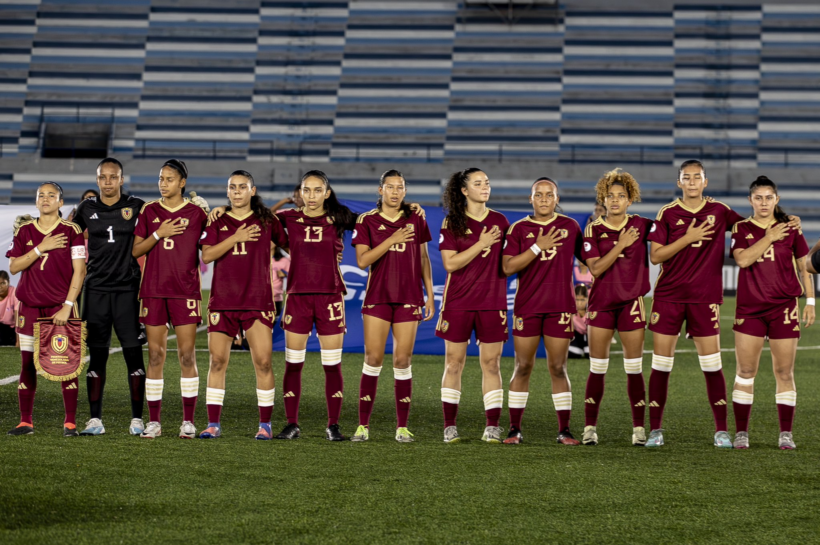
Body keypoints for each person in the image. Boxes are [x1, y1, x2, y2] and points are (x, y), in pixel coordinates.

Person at [645, 159, 801, 448]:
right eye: (686, 178)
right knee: (661, 365)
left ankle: (722, 431)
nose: (692, 182)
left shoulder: (720, 211)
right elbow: (656, 256)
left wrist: (787, 219)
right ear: (679, 182)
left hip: (705, 299)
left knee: (713, 366)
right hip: (668, 296)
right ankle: (655, 430)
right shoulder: (667, 213)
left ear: (706, 182)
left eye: (697, 177)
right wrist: (688, 237)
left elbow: (754, 223)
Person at [199, 170, 288, 440]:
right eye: (232, 187)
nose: (237, 191)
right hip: (223, 300)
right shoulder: (217, 220)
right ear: (227, 192)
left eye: (242, 187)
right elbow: (207, 254)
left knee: (262, 362)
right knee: (217, 361)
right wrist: (235, 238)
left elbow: (289, 243)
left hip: (257, 300)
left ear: (252, 190)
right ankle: (213, 423)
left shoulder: (266, 220)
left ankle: (265, 424)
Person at [350, 169, 435, 443]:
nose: (395, 192)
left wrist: (430, 295)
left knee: (402, 360)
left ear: (405, 192)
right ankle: (363, 426)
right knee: (373, 359)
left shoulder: (416, 218)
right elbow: (362, 261)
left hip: (409, 297)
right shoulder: (367, 221)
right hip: (378, 297)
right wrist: (391, 240)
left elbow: (423, 258)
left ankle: (402, 427)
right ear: (380, 191)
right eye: (390, 187)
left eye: (400, 187)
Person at [730, 176, 814, 450]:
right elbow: (742, 260)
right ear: (750, 201)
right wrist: (768, 237)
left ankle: (785, 433)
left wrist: (810, 301)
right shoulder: (741, 228)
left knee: (784, 371)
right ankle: (742, 432)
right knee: (745, 370)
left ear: (776, 199)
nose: (763, 202)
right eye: (758, 197)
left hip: (784, 308)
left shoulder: (791, 228)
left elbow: (805, 267)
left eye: (769, 197)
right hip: (750, 309)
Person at [275, 170, 357, 441]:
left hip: (330, 297)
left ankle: (333, 425)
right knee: (293, 364)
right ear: (300, 194)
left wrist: (409, 208)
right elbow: (258, 218)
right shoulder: (289, 218)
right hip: (298, 297)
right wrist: (220, 210)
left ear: (327, 193)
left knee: (332, 365)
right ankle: (291, 424)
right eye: (306, 190)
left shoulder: (341, 218)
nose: (311, 196)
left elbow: (376, 219)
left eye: (317, 190)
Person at [502, 177, 583, 445]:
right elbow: (507, 267)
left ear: (557, 199)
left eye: (550, 195)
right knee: (523, 366)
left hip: (559, 308)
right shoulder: (519, 229)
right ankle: (514, 429)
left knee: (558, 368)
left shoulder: (570, 226)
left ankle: (565, 430)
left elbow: (591, 260)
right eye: (539, 194)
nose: (545, 199)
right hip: (528, 307)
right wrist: (538, 246)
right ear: (531, 199)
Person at [132, 159, 208, 439]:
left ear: (182, 183)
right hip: (153, 290)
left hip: (185, 291)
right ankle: (154, 421)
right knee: (155, 355)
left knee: (187, 355)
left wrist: (213, 218)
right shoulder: (149, 211)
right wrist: (157, 233)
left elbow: (209, 249)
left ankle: (188, 421)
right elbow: (136, 250)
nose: (163, 184)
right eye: (161, 179)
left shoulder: (197, 213)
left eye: (169, 179)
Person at [71, 158, 147, 436]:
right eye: (103, 177)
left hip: (128, 289)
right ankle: (95, 420)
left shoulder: (136, 206)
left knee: (133, 354)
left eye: (113, 177)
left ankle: (137, 419)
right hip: (95, 291)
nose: (108, 182)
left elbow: (163, 219)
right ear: (97, 180)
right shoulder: (86, 208)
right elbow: (67, 234)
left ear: (121, 180)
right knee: (97, 355)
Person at [6, 182, 86, 436]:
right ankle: (25, 421)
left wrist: (68, 306)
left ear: (61, 203)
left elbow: (80, 271)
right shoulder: (24, 230)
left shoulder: (72, 230)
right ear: (36, 201)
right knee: (27, 364)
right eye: (41, 195)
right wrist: (41, 247)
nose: (46, 198)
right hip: (29, 306)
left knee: (66, 365)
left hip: (59, 309)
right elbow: (14, 267)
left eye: (52, 195)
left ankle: (70, 423)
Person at [580, 169, 653, 446]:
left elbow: (672, 229)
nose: (614, 201)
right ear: (603, 198)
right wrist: (621, 243)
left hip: (631, 304)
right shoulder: (593, 229)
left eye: (621, 196)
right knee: (597, 368)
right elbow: (596, 268)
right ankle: (590, 428)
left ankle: (638, 430)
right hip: (601, 304)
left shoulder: (642, 224)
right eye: (610, 196)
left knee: (634, 368)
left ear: (630, 199)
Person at [436, 168, 509, 444]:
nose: (485, 187)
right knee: (454, 363)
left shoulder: (501, 221)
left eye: (487, 182)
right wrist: (481, 243)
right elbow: (450, 263)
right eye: (478, 183)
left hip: (492, 302)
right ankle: (449, 426)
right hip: (459, 302)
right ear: (464, 191)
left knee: (491, 364)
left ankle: (492, 426)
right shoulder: (452, 222)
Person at [568, 284, 589, 360]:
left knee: (590, 354)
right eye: (577, 300)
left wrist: (583, 314)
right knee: (573, 354)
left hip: (590, 335)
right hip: (577, 335)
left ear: (587, 299)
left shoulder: (592, 310)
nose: (579, 303)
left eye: (582, 300)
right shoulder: (571, 310)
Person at [271, 244, 290, 319]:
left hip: (276, 297)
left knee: (275, 321)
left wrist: (284, 274)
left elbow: (294, 275)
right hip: (261, 297)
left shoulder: (284, 260)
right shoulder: (260, 258)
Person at [0, 271, 19, 345]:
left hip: (12, 328)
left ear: (8, 282)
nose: (0, 287)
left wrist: (18, 340)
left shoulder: (14, 292)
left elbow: (18, 317)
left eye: (3, 283)